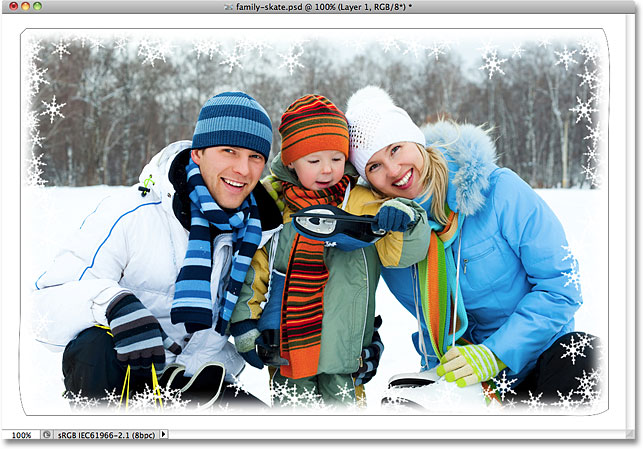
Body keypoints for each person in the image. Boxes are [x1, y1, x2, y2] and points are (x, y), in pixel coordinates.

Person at [344, 86, 599, 402]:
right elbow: (350, 296)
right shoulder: (391, 239)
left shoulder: (499, 191)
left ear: (414, 139)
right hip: (469, 378)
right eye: (374, 166)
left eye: (395, 149)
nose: (393, 171)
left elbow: (562, 286)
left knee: (586, 356)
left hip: (545, 360)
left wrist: (495, 354)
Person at [32, 92, 283, 408]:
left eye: (255, 157)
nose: (243, 169)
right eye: (229, 151)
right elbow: (42, 311)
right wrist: (111, 304)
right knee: (93, 347)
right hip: (128, 376)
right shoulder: (131, 215)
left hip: (200, 382)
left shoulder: (258, 232)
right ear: (198, 154)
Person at [228, 94, 430, 406]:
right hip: (287, 352)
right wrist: (245, 325)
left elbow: (402, 253)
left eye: (336, 159)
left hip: (348, 354)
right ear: (291, 162)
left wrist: (406, 217)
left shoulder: (362, 202)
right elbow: (253, 271)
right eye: (314, 161)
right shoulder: (275, 206)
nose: (327, 170)